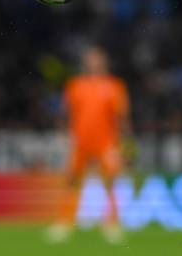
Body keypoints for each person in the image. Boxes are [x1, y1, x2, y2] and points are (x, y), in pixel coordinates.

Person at [49, 46, 131, 243]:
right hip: (81, 142)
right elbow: (66, 112)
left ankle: (111, 224)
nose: (93, 63)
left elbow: (122, 117)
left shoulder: (114, 86)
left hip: (106, 143)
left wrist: (126, 142)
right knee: (71, 180)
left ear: (104, 62)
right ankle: (64, 222)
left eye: (97, 59)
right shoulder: (75, 85)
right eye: (90, 59)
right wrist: (62, 134)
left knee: (110, 182)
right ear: (86, 63)